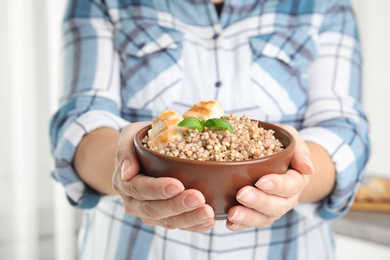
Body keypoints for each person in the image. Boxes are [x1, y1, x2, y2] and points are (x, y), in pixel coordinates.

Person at [50, 0, 370, 259]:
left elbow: (345, 132)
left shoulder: (326, 6)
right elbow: (80, 121)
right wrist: (128, 169)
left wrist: (291, 179)